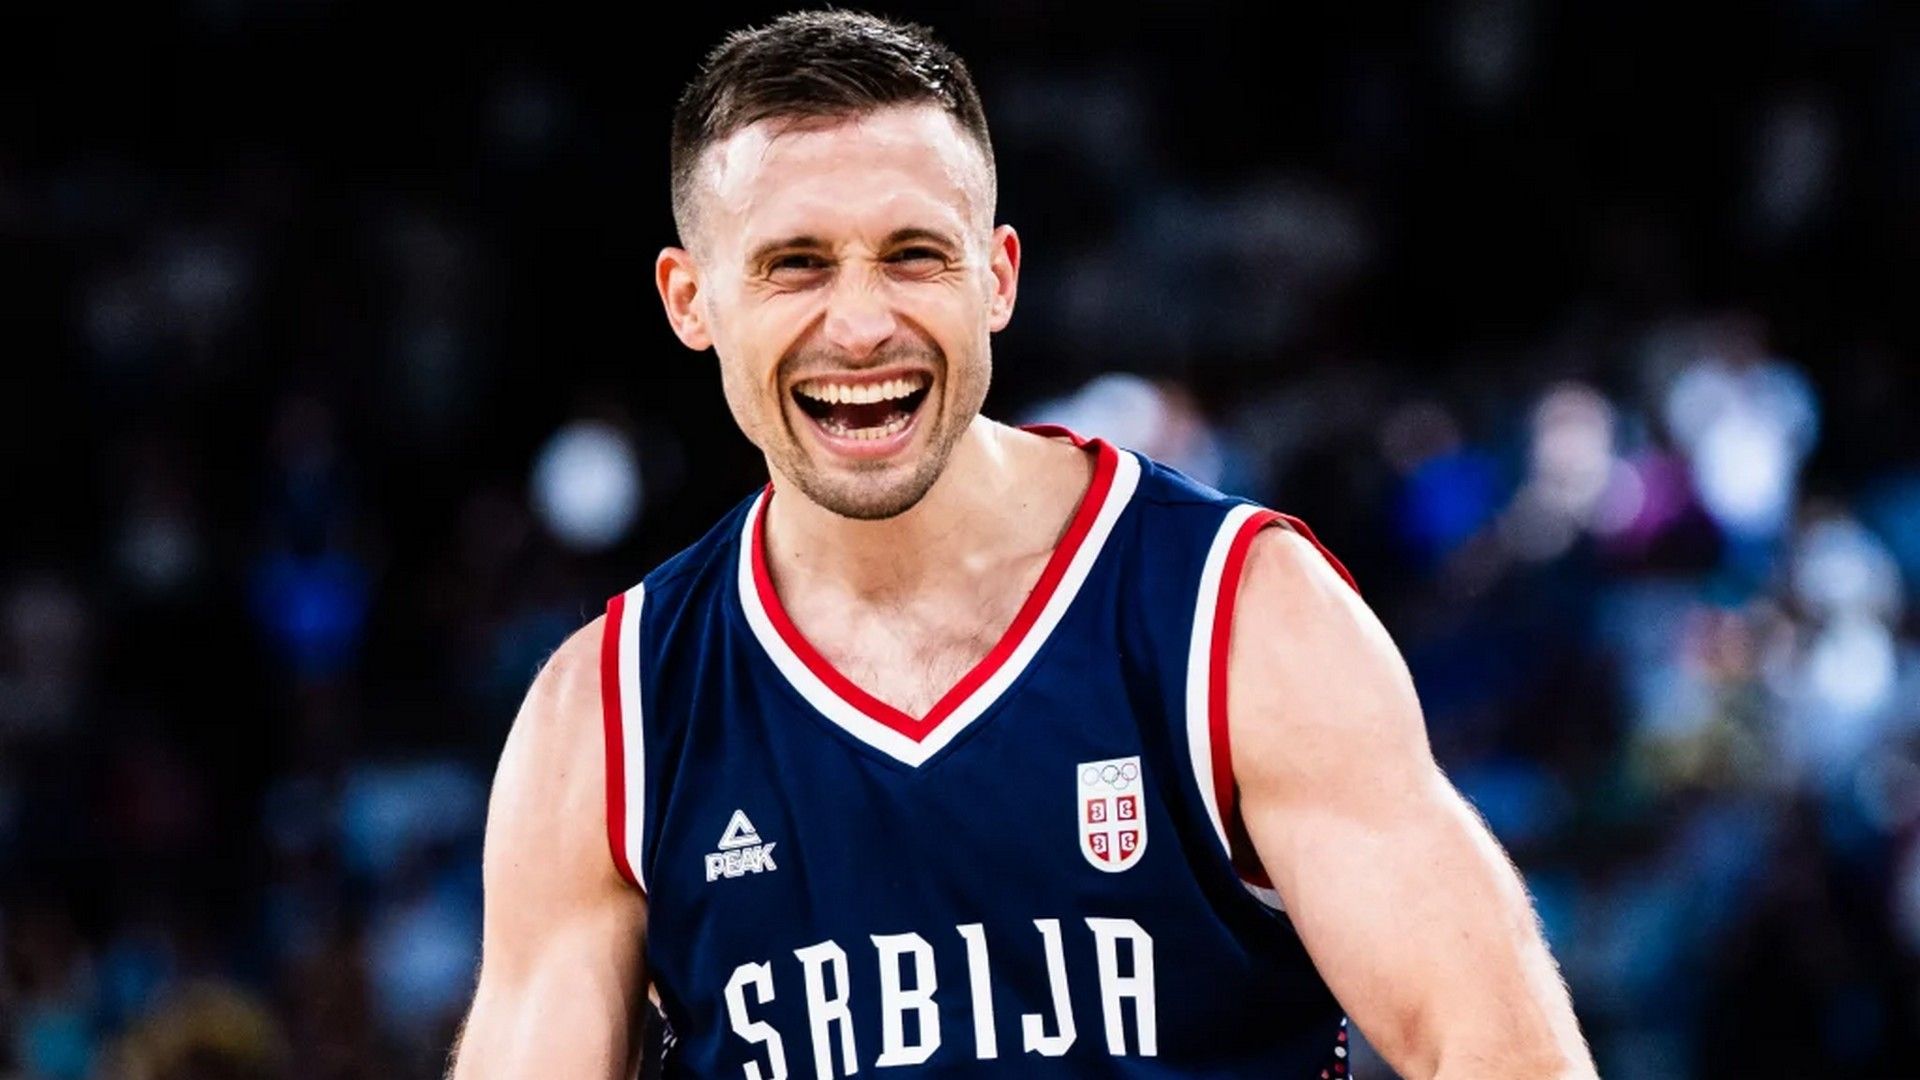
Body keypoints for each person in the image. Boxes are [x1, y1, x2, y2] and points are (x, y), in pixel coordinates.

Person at [447, 10, 1596, 1078]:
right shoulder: (608, 719)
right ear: (690, 299)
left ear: (996, 277)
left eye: (914, 254)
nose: (862, 324)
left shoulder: (1233, 615)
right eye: (796, 263)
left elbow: (1500, 1050)